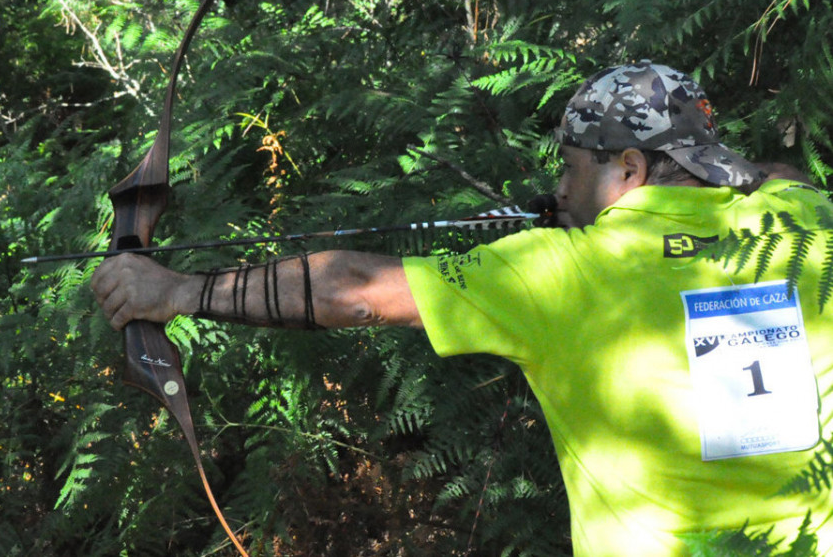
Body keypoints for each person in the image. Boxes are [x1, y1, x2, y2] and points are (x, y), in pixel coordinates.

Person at [92, 61, 833, 555]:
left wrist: (178, 291)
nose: (563, 191)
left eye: (572, 172)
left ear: (630, 170)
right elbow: (779, 175)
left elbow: (355, 288)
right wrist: (716, 177)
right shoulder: (807, 221)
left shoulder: (562, 272)